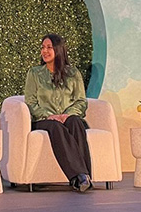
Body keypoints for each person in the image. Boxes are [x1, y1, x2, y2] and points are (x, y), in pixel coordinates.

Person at [24, 33, 92, 192]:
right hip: (44, 120)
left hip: (68, 116)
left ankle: (84, 177)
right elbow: (30, 102)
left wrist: (68, 114)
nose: (44, 51)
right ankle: (80, 175)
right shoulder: (34, 73)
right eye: (43, 48)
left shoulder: (73, 73)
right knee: (56, 127)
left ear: (59, 50)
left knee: (75, 122)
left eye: (49, 47)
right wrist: (49, 115)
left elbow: (81, 101)